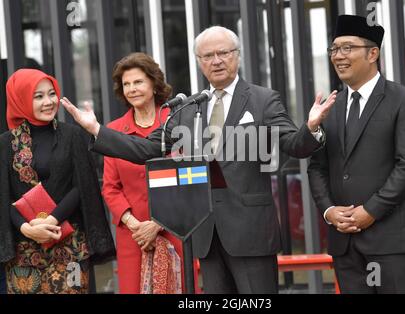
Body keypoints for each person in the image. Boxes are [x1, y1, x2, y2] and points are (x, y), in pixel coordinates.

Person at [61, 26, 337, 294]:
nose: (216, 61)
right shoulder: (189, 107)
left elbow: (293, 144)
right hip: (205, 234)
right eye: (207, 56)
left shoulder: (262, 100)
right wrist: (97, 130)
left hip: (250, 231)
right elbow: (145, 148)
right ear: (199, 62)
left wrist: (311, 127)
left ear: (237, 55)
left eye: (223, 53)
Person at [308, 15, 405, 294]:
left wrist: (370, 211)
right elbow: (317, 167)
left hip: (391, 241)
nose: (338, 56)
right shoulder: (330, 108)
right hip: (344, 243)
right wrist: (329, 211)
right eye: (334, 49)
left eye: (347, 48)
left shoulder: (403, 99)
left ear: (373, 53)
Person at [0, 69, 115, 294]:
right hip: (24, 252)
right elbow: (3, 195)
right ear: (20, 99)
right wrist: (27, 228)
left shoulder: (72, 135)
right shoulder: (5, 144)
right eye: (38, 96)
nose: (48, 102)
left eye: (52, 94)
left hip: (69, 245)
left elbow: (82, 185)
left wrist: (51, 220)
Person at [102, 52, 183, 294]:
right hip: (133, 235)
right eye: (126, 84)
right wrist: (135, 225)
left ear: (154, 83)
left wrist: (157, 223)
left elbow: (188, 179)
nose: (132, 89)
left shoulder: (178, 123)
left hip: (175, 228)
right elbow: (110, 187)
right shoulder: (114, 131)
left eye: (138, 82)